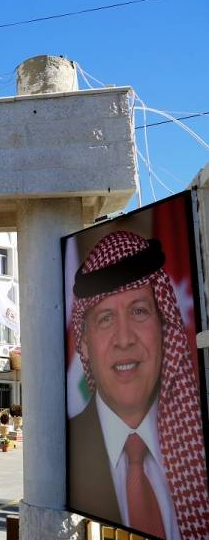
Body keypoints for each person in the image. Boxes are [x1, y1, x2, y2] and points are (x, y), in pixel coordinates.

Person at [68, 231, 209, 540]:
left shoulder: (199, 441)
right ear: (85, 343)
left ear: (164, 326)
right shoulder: (65, 449)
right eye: (105, 318)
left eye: (139, 311)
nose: (124, 339)